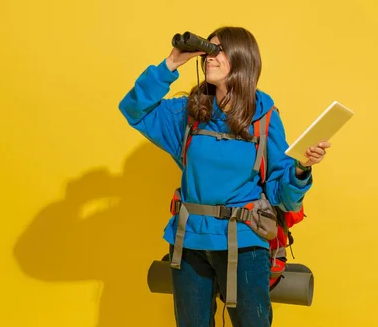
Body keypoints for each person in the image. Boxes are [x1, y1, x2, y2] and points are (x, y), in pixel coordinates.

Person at [118, 26, 330, 327]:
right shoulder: (190, 113)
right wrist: (170, 64)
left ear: (243, 61)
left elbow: (283, 194)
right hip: (189, 241)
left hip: (244, 244)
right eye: (209, 51)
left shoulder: (264, 117)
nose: (210, 58)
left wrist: (301, 168)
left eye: (220, 51)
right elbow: (133, 110)